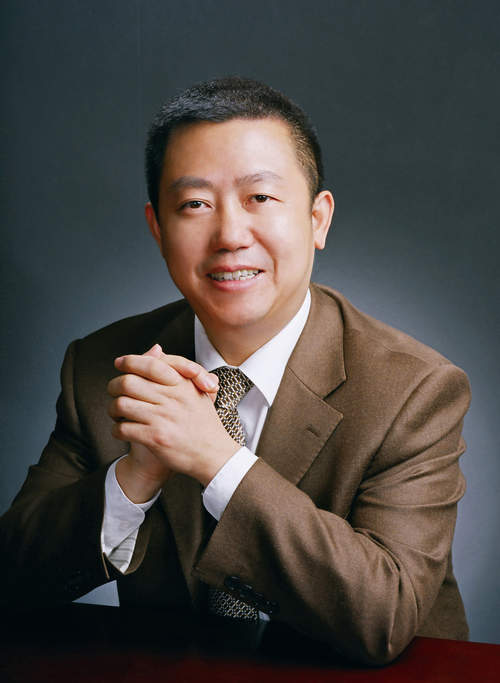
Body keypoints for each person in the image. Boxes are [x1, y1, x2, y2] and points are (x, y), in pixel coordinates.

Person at [0, 77, 471, 665]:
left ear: (318, 219)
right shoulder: (103, 367)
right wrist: (133, 476)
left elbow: (385, 617)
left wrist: (218, 460)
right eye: (195, 204)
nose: (228, 236)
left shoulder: (414, 390)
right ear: (158, 228)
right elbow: (11, 580)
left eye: (260, 198)